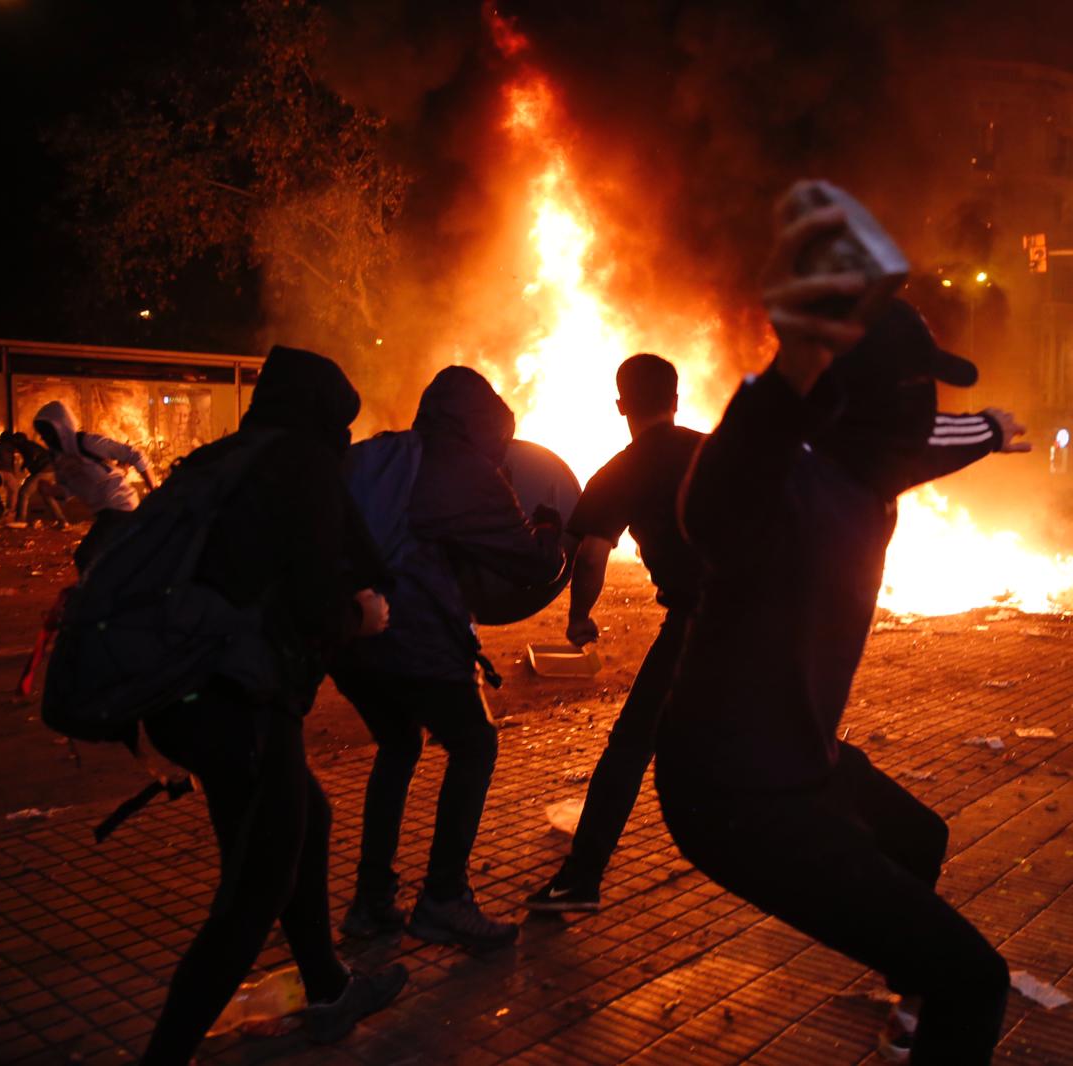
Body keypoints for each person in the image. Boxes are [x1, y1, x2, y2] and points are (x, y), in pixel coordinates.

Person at [652, 189, 1030, 1066]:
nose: (927, 409)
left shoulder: (870, 474)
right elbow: (717, 496)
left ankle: (911, 1004)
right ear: (860, 407)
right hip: (734, 795)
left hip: (802, 765)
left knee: (918, 837)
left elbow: (929, 440)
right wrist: (796, 363)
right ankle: (935, 999)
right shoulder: (780, 489)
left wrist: (995, 429)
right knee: (978, 980)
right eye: (916, 392)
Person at [137, 345, 406, 1065]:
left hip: (185, 697)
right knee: (253, 896)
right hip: (244, 707)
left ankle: (327, 990)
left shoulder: (222, 460)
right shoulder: (303, 468)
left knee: (303, 822)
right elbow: (324, 603)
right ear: (327, 415)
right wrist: (364, 618)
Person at [332, 365, 565, 947]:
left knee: (399, 743)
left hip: (350, 640)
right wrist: (549, 531)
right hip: (416, 640)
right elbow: (527, 566)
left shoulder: (382, 453)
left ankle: (371, 901)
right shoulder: (465, 470)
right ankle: (443, 898)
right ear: (484, 426)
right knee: (475, 744)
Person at [526, 354, 705, 913]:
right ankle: (884, 840)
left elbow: (590, 552)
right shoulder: (716, 449)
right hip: (773, 614)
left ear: (622, 407)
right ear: (676, 401)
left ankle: (581, 879)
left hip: (700, 624)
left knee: (630, 747)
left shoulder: (623, 469)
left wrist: (579, 620)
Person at [31, 402, 157, 569]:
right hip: (105, 512)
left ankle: (100, 592)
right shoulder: (59, 458)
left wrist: (154, 489)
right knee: (111, 558)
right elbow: (68, 490)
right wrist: (51, 490)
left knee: (86, 556)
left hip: (119, 505)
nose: (44, 438)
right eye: (42, 434)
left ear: (60, 427)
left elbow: (134, 455)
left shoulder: (87, 442)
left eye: (47, 432)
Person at [7, 429, 68, 526]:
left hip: (42, 471)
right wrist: (25, 465)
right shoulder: (31, 445)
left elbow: (32, 456)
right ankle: (62, 520)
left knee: (24, 493)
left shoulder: (25, 446)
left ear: (17, 441)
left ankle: (20, 520)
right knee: (47, 496)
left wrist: (25, 465)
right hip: (51, 471)